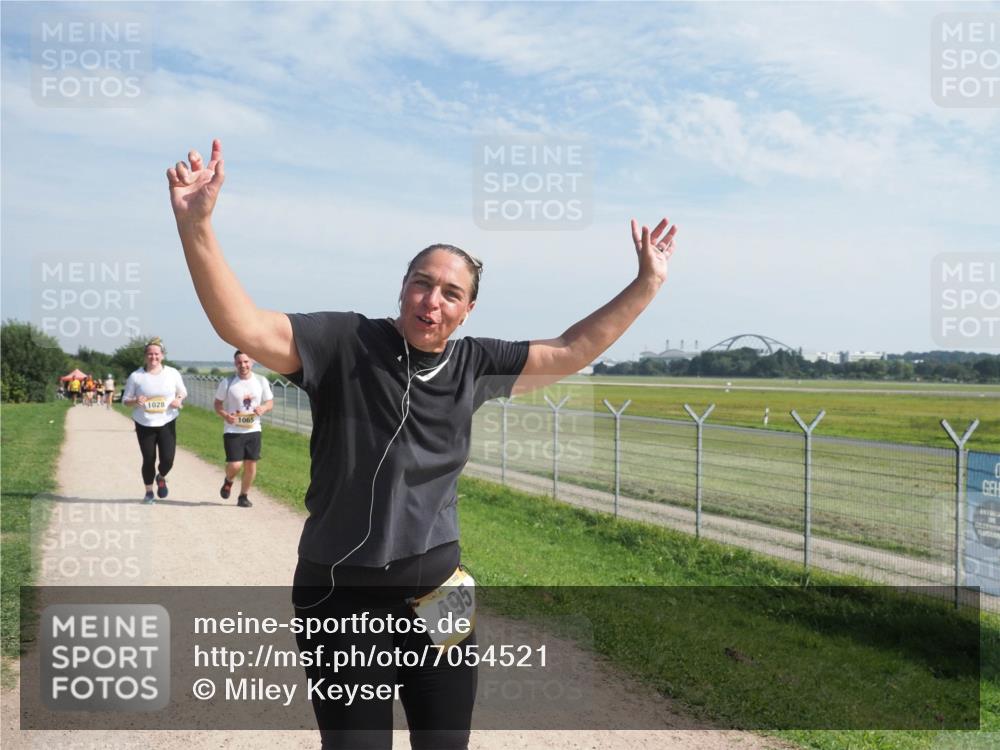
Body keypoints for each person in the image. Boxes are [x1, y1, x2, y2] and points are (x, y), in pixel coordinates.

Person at [167, 139, 677, 749]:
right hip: (340, 595)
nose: (431, 300)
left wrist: (647, 283)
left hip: (440, 590)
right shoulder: (344, 342)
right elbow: (244, 325)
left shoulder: (475, 364)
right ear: (403, 287)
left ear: (467, 310)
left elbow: (571, 350)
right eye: (420, 283)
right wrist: (196, 225)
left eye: (450, 293)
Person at [122, 337, 188, 503]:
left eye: (156, 354)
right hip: (144, 422)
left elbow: (183, 392)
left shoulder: (172, 373)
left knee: (168, 459)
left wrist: (178, 400)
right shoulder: (136, 376)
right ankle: (149, 492)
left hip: (167, 420)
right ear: (145, 356)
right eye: (150, 354)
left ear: (162, 355)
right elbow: (125, 400)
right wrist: (135, 401)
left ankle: (161, 476)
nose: (153, 357)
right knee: (148, 458)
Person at [214, 350, 274, 508]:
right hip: (233, 430)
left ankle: (243, 496)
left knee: (251, 465)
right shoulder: (227, 382)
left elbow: (269, 402)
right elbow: (217, 404)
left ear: (252, 362)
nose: (243, 365)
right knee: (235, 465)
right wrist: (226, 415)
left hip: (253, 429)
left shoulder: (261, 381)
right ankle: (229, 480)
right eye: (239, 362)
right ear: (235, 364)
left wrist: (263, 408)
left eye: (246, 362)